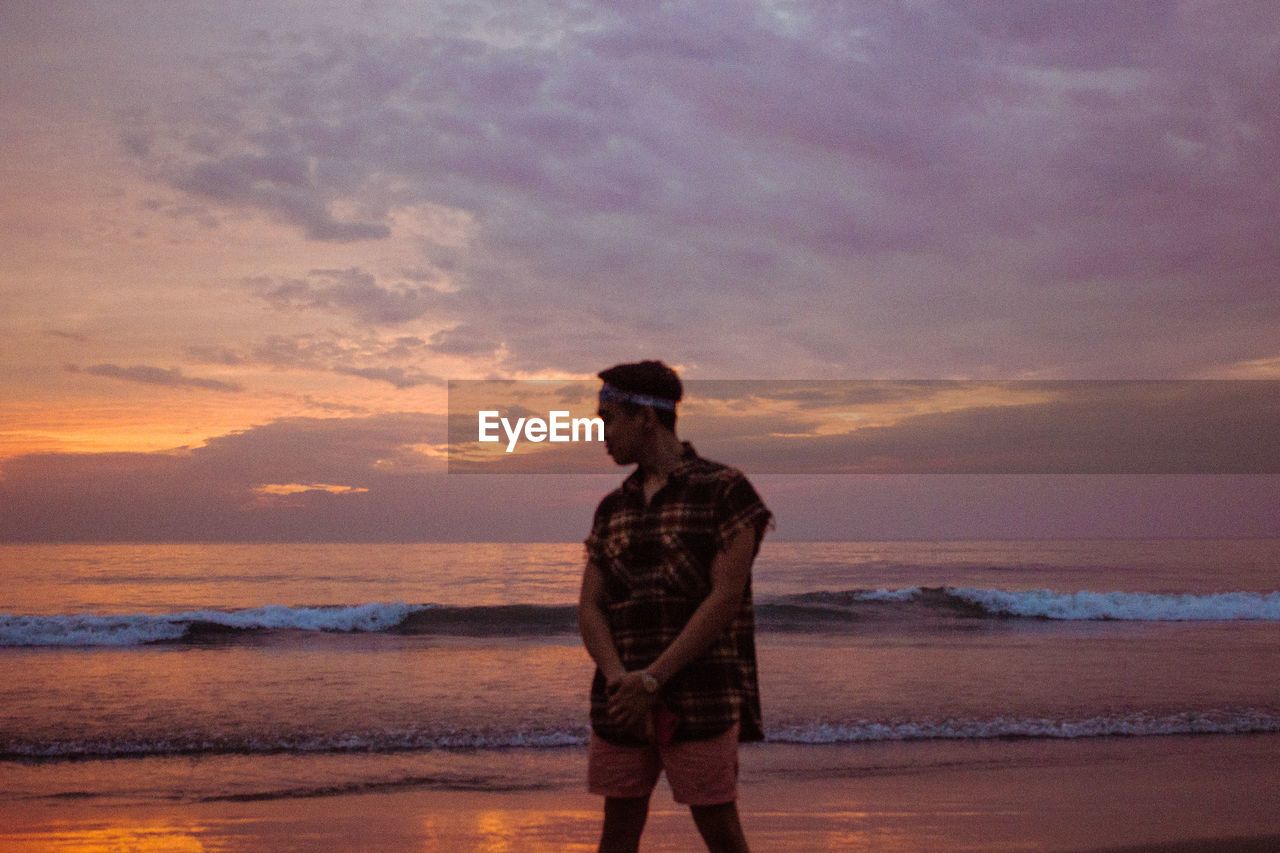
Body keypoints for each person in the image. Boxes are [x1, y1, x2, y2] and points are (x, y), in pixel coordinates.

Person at [579, 361, 772, 853]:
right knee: (617, 832)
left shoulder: (725, 490)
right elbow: (591, 607)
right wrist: (621, 676)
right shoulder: (612, 508)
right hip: (621, 701)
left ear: (645, 418)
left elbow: (724, 599)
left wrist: (653, 679)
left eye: (607, 418)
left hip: (699, 695)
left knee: (720, 831)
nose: (600, 432)